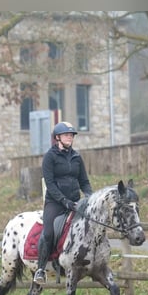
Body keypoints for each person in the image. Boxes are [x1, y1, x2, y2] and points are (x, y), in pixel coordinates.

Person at [33, 121, 93, 285]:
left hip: (75, 202)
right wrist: (64, 201)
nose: (70, 137)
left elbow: (84, 182)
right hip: (55, 203)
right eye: (67, 135)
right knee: (49, 232)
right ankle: (40, 269)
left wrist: (90, 197)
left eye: (71, 135)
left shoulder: (76, 157)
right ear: (58, 137)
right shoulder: (50, 157)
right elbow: (50, 185)